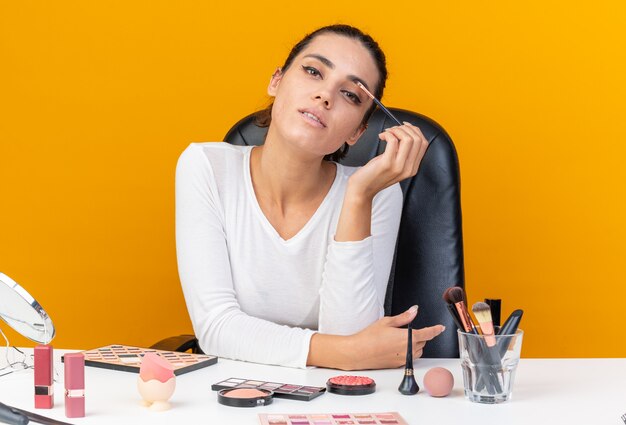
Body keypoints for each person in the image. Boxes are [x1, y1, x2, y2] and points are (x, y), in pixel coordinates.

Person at [175, 24, 445, 370]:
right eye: (313, 71)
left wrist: (358, 197)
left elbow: (352, 334)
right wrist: (346, 353)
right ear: (276, 81)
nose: (325, 96)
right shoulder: (206, 167)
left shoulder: (377, 194)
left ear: (358, 132)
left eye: (351, 95)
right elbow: (216, 327)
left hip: (335, 401)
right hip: (233, 395)